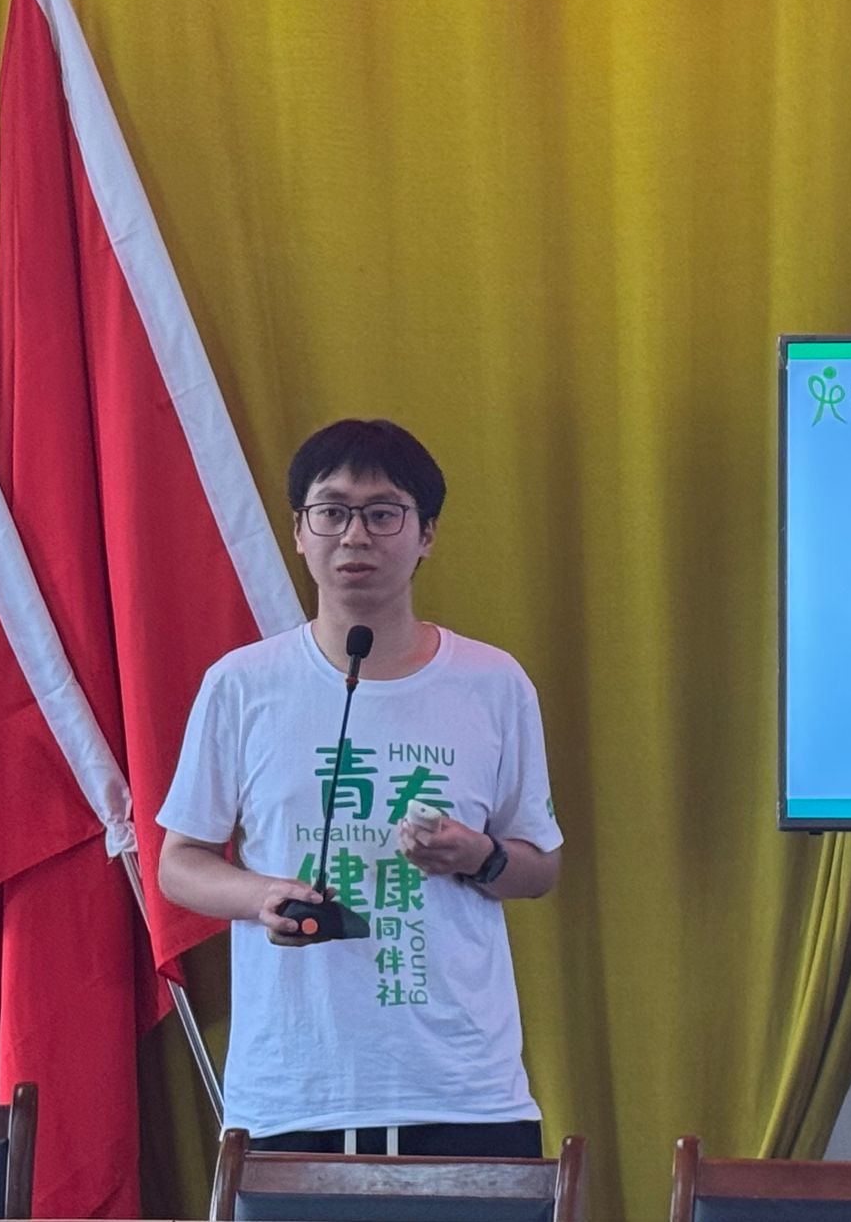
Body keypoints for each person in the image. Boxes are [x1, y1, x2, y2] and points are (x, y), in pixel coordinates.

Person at [157, 419, 563, 1156]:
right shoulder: (242, 685)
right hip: (293, 1092)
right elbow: (179, 861)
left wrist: (478, 855)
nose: (355, 536)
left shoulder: (493, 683)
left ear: (426, 533)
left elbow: (540, 867)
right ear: (298, 531)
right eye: (332, 511)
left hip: (464, 1090)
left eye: (383, 514)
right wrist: (261, 895)